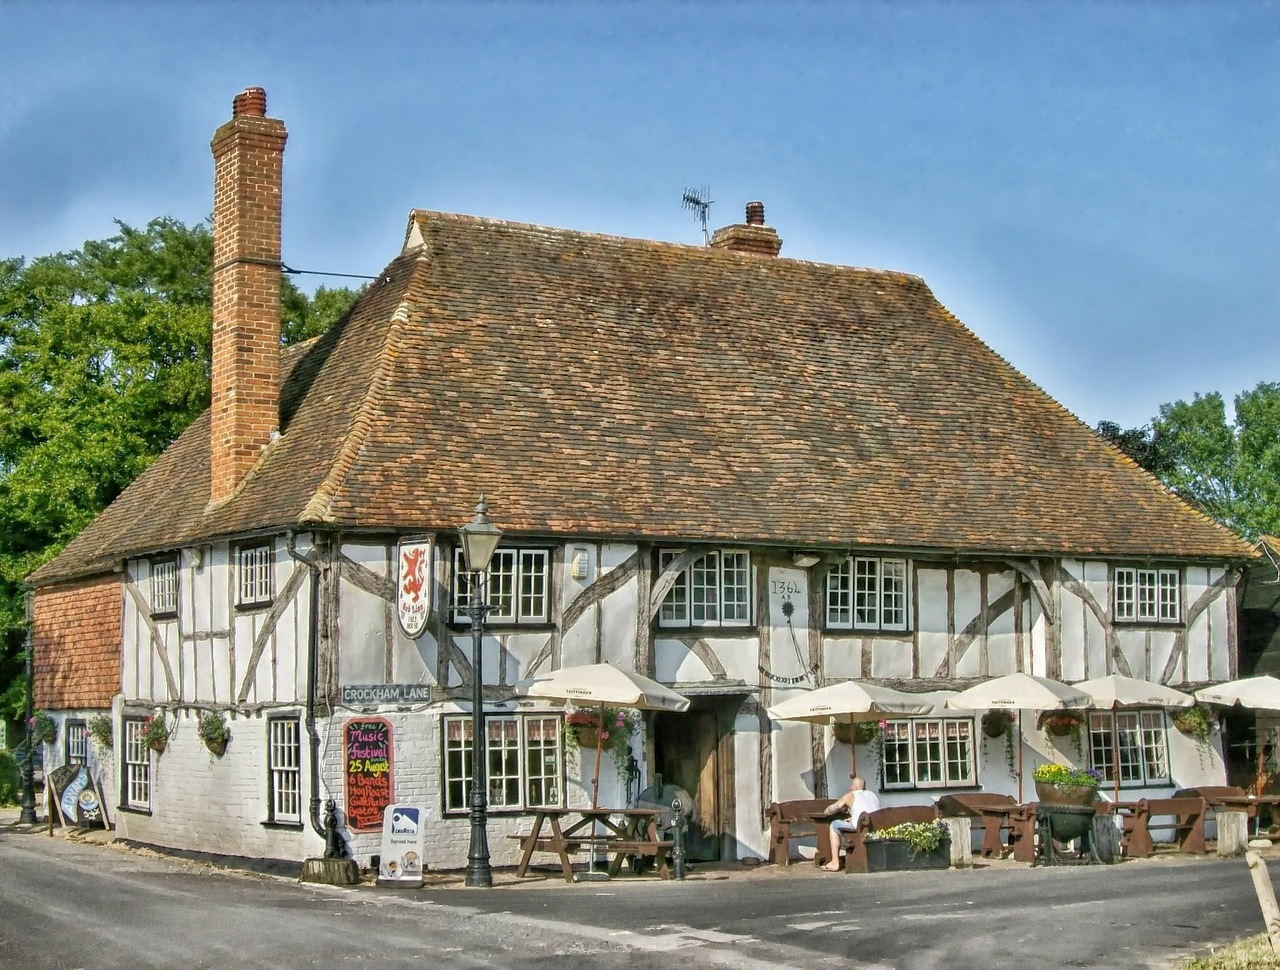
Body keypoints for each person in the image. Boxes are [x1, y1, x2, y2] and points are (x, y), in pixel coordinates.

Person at [821, 775, 881, 871]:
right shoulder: (872, 795)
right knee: (847, 822)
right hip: (874, 828)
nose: (850, 788)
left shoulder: (851, 795)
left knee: (834, 824)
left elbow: (832, 808)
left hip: (859, 830)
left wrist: (831, 810)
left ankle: (835, 862)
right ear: (864, 787)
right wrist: (852, 817)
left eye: (851, 786)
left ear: (853, 787)